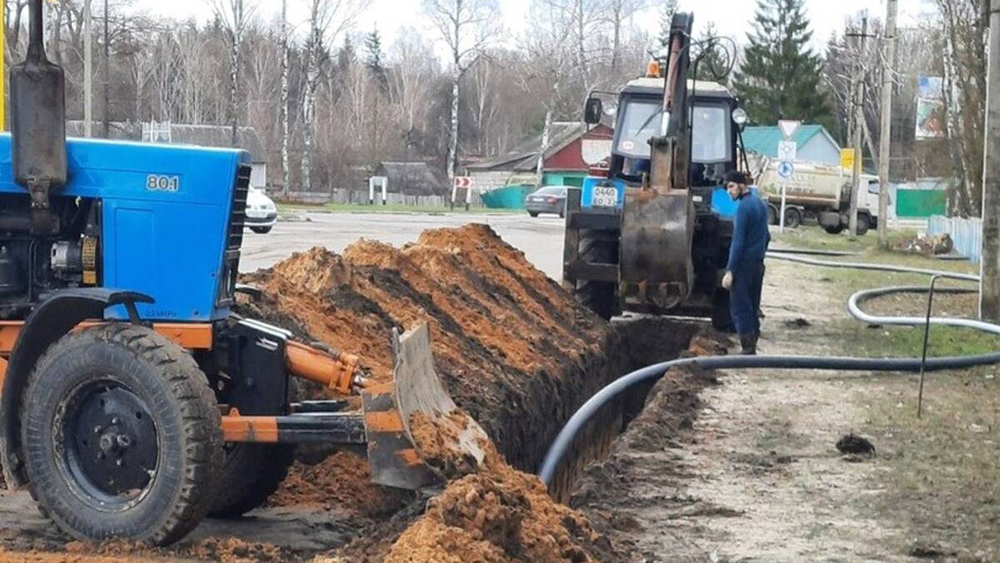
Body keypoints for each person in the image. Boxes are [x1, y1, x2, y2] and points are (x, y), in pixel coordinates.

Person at [721, 170, 770, 355]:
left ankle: (747, 348)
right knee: (753, 305)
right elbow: (767, 236)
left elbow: (738, 241)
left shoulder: (743, 208)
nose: (729, 191)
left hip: (743, 266)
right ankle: (753, 344)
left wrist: (730, 270)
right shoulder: (760, 204)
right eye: (727, 188)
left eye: (732, 186)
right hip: (758, 265)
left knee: (741, 307)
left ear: (742, 185)